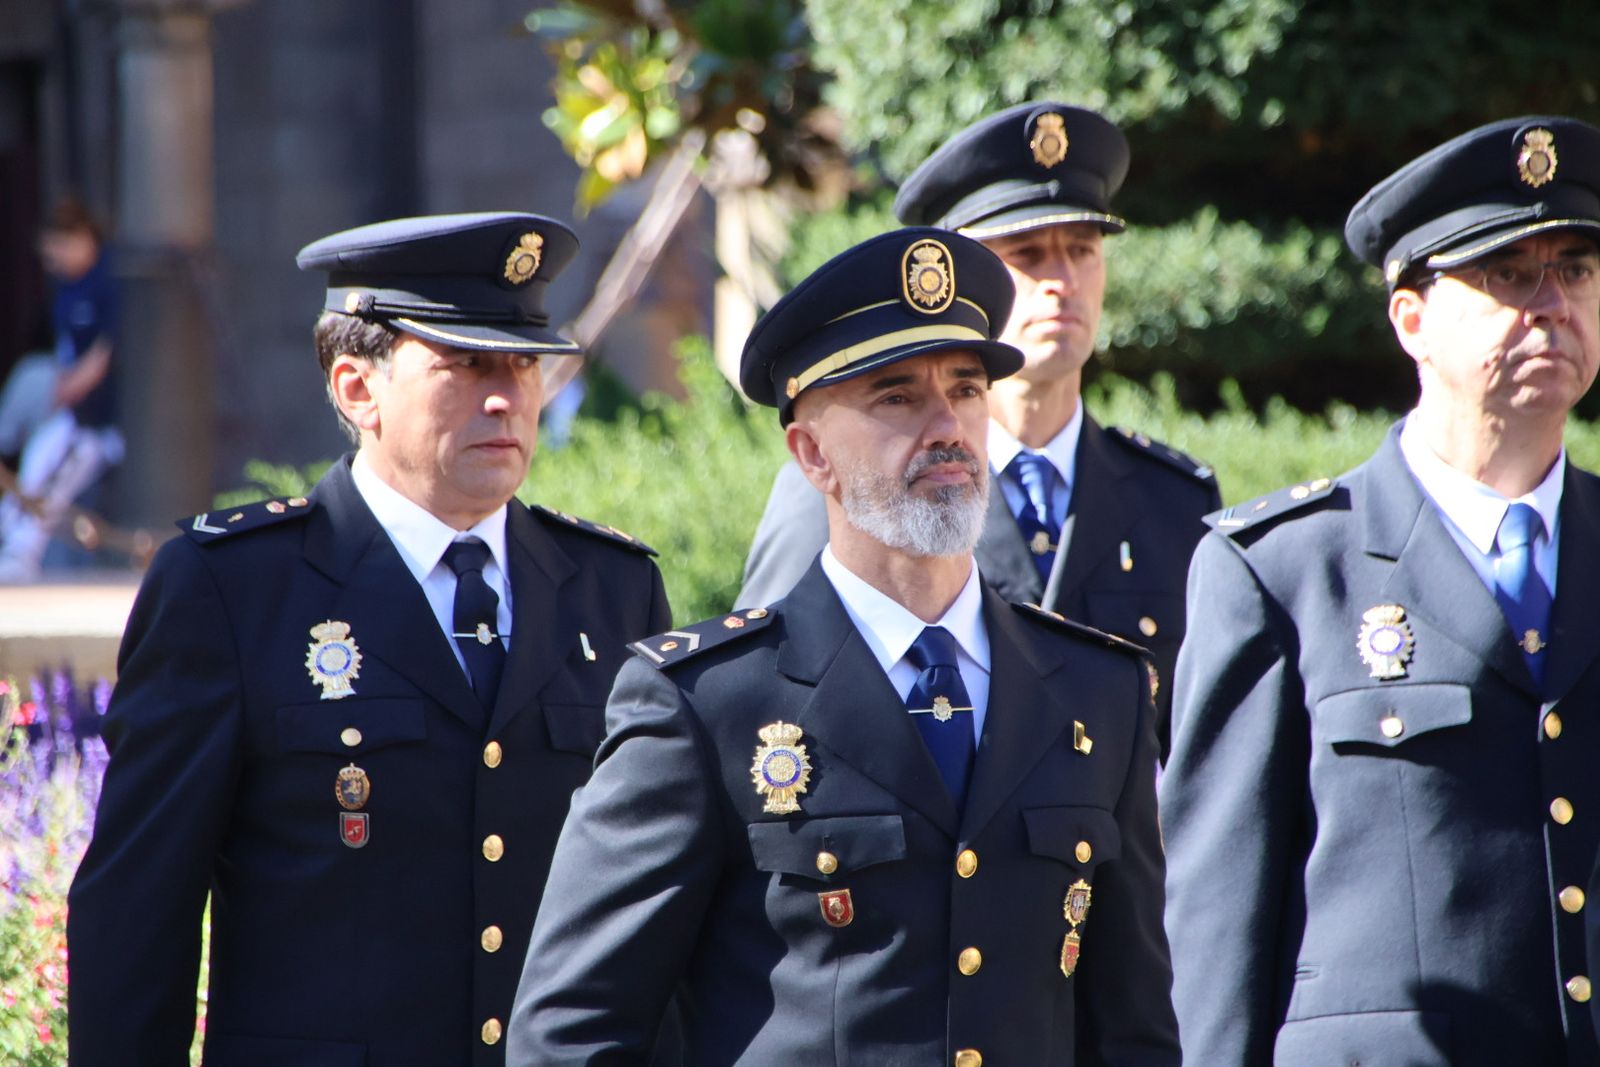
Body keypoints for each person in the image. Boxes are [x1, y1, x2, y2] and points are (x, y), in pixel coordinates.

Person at [508, 227, 1179, 1066]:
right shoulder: (707, 703)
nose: (947, 426)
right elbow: (572, 1034)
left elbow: (1133, 1030)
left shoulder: (1096, 689)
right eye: (897, 397)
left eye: (967, 390)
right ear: (812, 452)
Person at [67, 212, 672, 1066]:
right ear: (357, 389)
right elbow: (137, 915)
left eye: (524, 363)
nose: (505, 395)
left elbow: (665, 909)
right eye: (464, 364)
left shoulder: (612, 589)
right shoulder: (234, 588)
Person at [1161, 116, 1600, 1065]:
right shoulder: (1283, 571)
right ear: (1410, 320)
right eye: (1506, 275)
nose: (1552, 303)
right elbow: (1216, 935)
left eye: (1575, 269)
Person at [737, 104, 1219, 753]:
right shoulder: (840, 488)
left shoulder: (1174, 499)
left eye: (1082, 250)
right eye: (1026, 254)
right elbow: (770, 699)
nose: (1062, 282)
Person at [0, 196, 123, 579]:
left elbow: (106, 351)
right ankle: (13, 548)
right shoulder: (67, 291)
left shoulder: (108, 282)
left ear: (80, 238)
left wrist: (70, 387)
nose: (51, 260)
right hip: (69, 414)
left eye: (57, 248)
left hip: (96, 422)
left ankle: (22, 554)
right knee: (34, 466)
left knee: (51, 477)